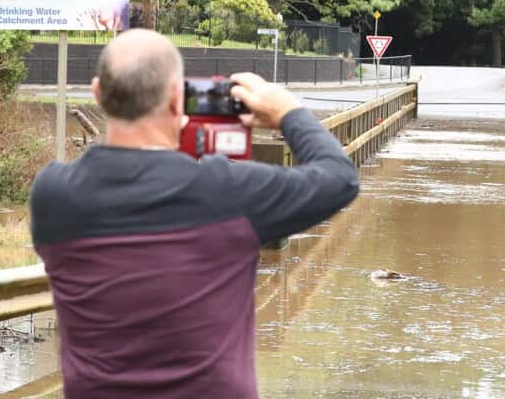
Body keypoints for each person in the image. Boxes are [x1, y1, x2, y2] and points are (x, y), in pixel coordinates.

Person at [29, 29, 359, 398]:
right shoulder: (229, 192)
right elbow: (340, 179)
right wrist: (287, 112)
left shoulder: (53, 196)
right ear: (177, 99)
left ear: (98, 94)